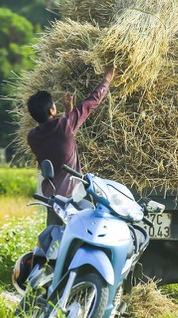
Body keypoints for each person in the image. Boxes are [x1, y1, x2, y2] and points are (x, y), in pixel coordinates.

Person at [27, 66, 116, 224]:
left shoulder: (32, 137)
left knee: (55, 235)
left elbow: (61, 140)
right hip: (71, 197)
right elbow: (91, 102)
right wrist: (107, 77)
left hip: (51, 197)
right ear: (52, 110)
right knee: (89, 225)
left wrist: (69, 110)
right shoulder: (64, 125)